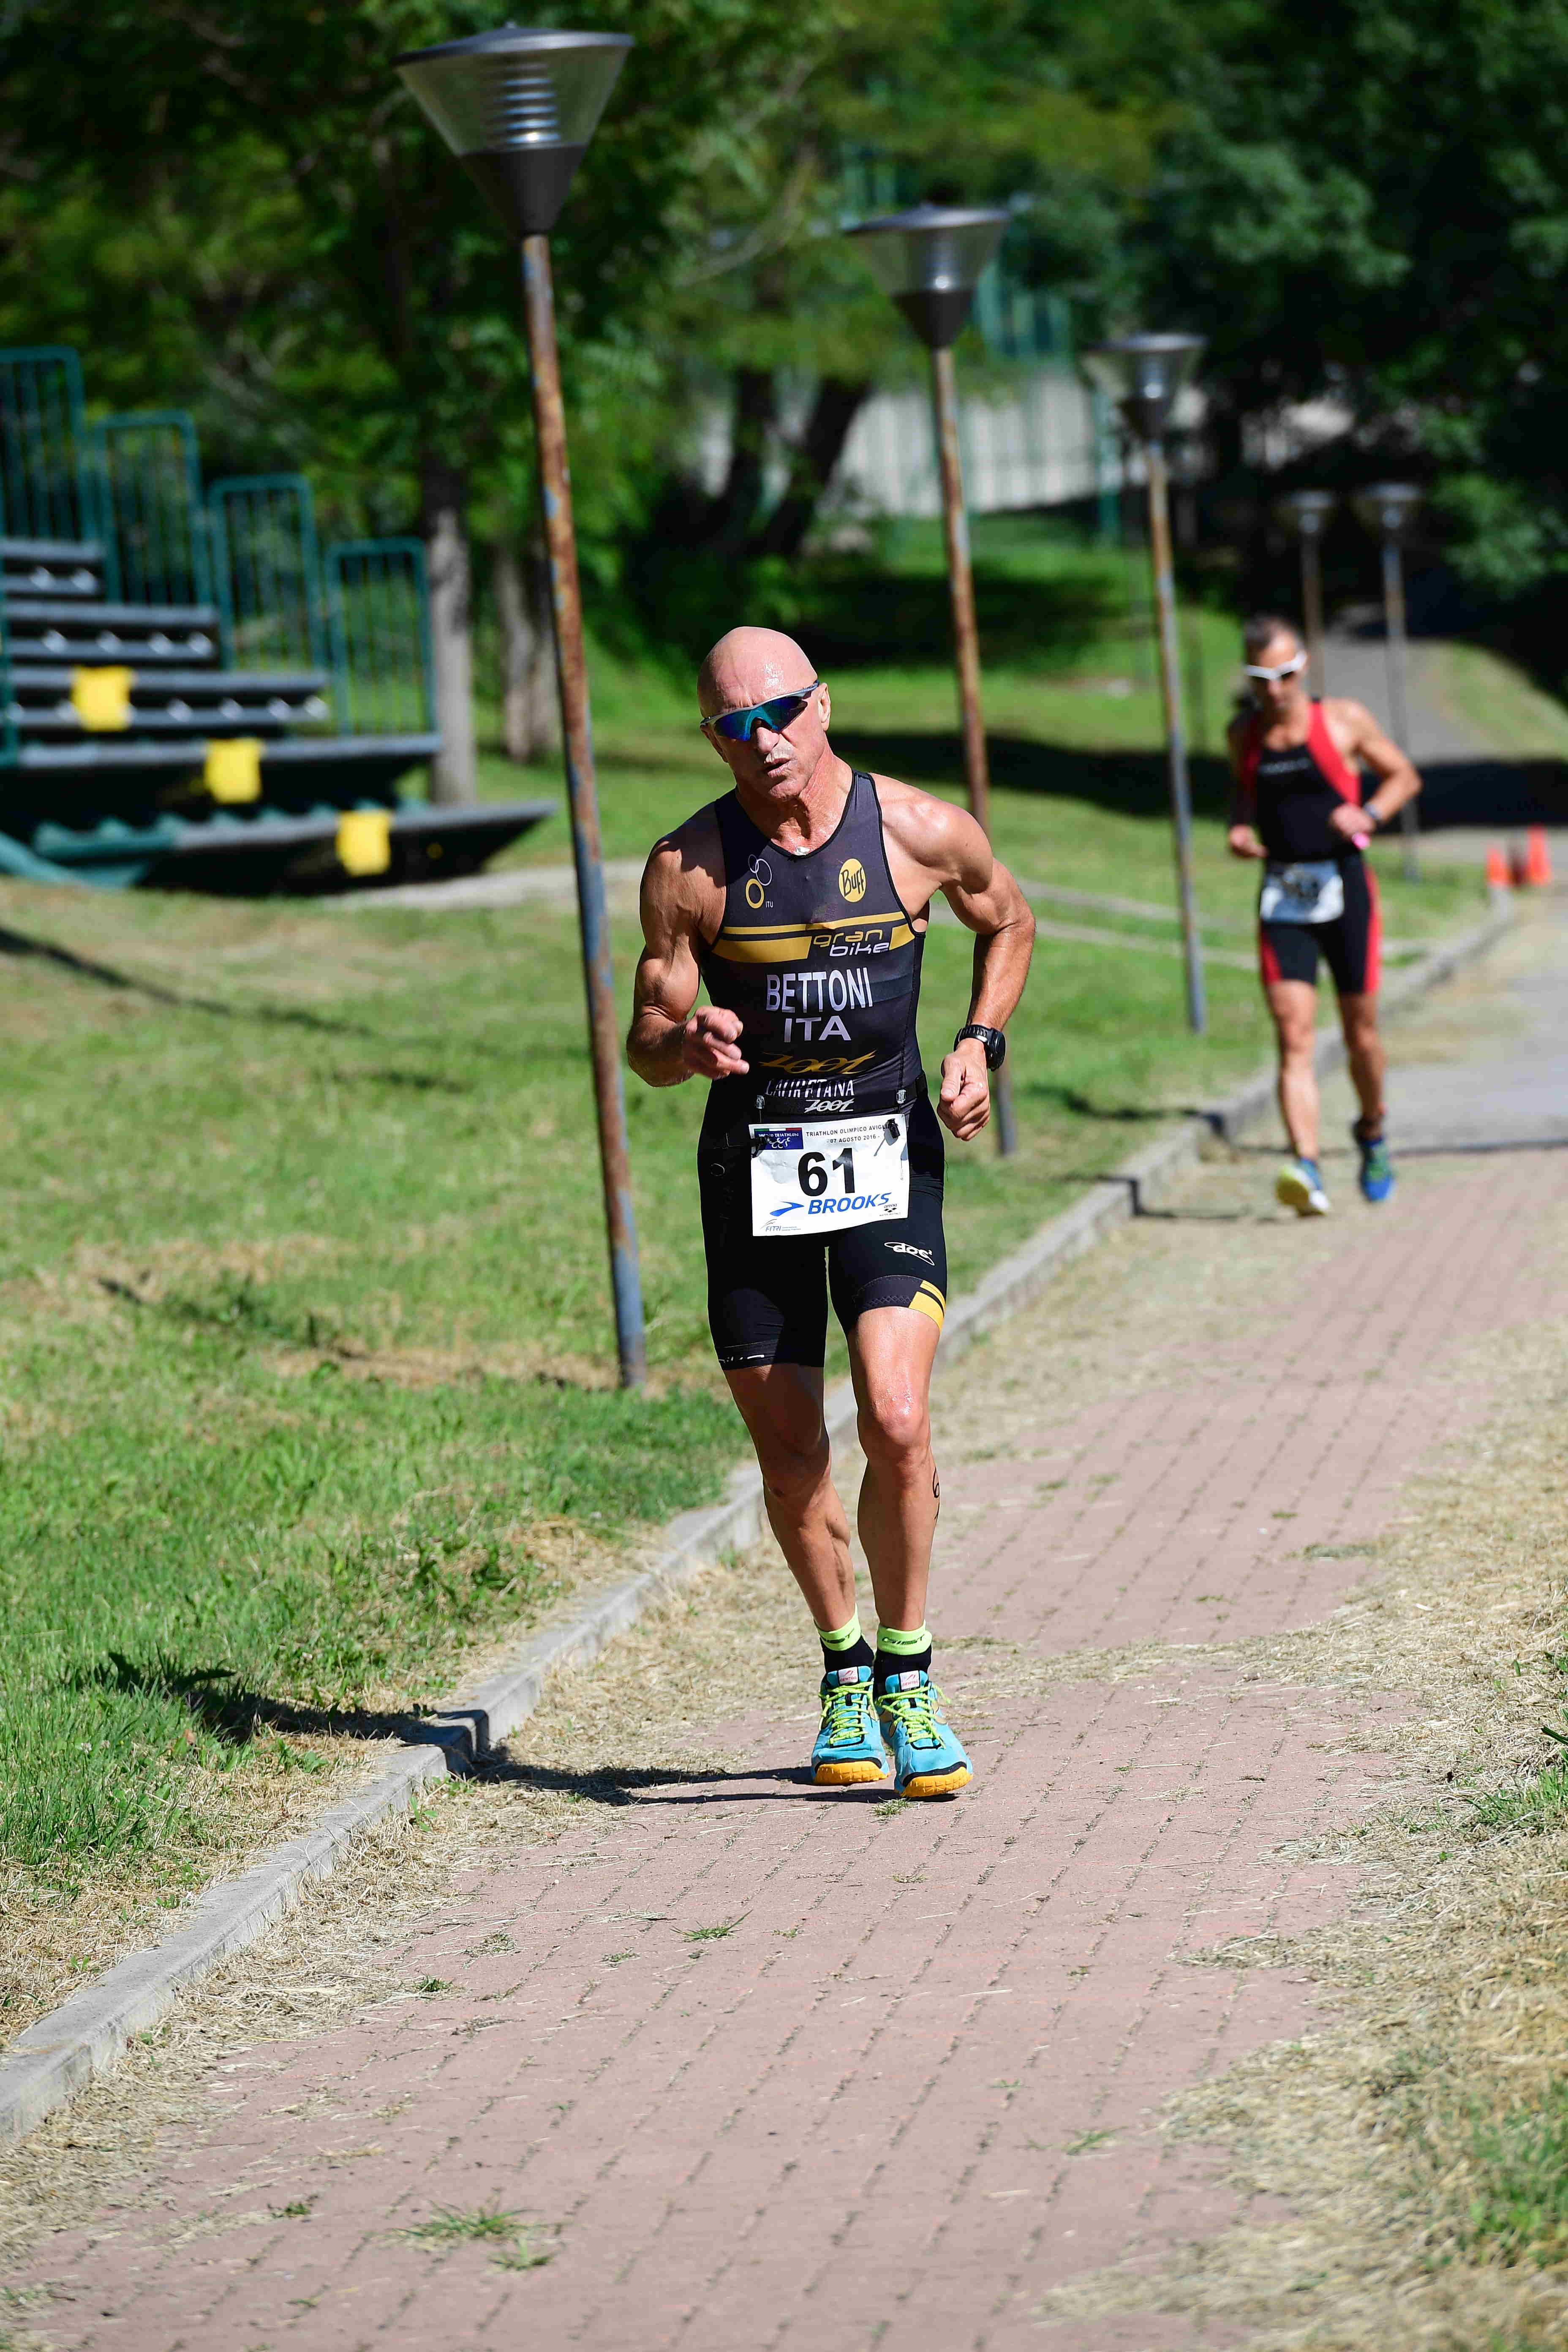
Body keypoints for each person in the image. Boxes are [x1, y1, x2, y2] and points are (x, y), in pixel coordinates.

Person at [628, 627, 1034, 1799]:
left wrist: (978, 1041)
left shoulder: (917, 829)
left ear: (823, 704)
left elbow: (1007, 919)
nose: (764, 742)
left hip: (885, 1152)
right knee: (793, 1448)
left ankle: (908, 1672)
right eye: (732, 726)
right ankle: (842, 1669)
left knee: (897, 1418)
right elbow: (643, 1044)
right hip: (751, 1172)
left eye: (781, 713)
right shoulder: (689, 868)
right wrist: (684, 1042)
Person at [1227, 615, 1421, 1215]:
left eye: (1286, 675)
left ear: (1303, 665)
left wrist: (1369, 815)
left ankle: (1371, 1129)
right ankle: (1306, 1166)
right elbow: (1243, 794)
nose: (1277, 689)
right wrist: (1239, 829)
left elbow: (1403, 776)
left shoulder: (1341, 719)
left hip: (1346, 892)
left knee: (1360, 1032)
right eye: (1263, 678)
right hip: (1283, 895)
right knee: (1293, 1035)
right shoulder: (1244, 733)